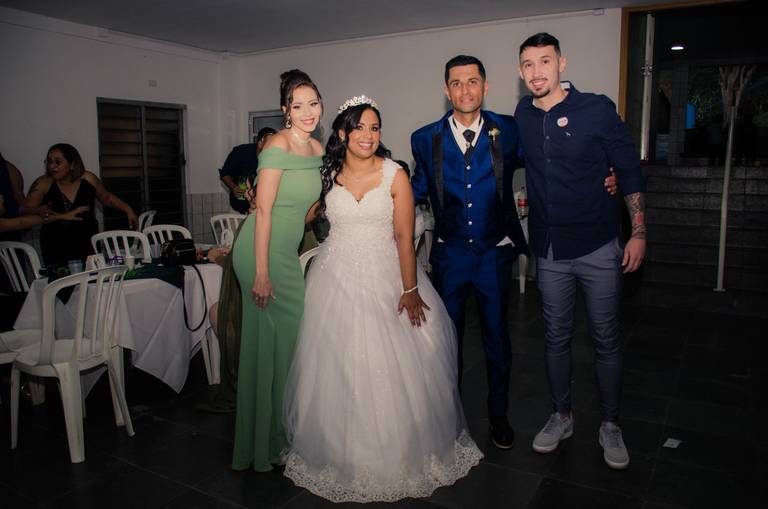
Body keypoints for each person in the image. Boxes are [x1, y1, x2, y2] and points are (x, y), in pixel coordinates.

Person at [283, 97, 482, 503]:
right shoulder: (329, 174)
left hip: (385, 275)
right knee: (336, 365)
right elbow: (304, 214)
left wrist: (409, 289)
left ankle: (396, 450)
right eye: (359, 127)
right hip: (335, 278)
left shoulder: (395, 175)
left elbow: (404, 237)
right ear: (343, 133)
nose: (368, 135)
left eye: (374, 128)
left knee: (391, 364)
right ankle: (338, 450)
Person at [515, 33, 646, 470]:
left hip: (598, 246)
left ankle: (610, 424)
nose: (537, 71)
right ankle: (561, 416)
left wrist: (638, 231)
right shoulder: (522, 116)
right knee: (555, 337)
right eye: (528, 64)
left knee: (605, 338)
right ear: (520, 71)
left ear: (561, 64)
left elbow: (628, 169)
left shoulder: (596, 108)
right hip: (550, 250)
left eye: (544, 61)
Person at [410, 55, 529, 450]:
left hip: (494, 254)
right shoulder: (425, 138)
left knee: (497, 340)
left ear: (485, 86)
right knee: (447, 342)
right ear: (446, 90)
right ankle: (449, 415)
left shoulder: (507, 130)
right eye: (457, 83)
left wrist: (600, 174)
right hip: (450, 256)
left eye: (472, 81)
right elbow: (415, 189)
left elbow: (544, 162)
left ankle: (499, 415)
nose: (465, 90)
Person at [231, 69, 323, 472]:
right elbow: (264, 212)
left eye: (313, 103)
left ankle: (282, 431)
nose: (307, 112)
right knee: (264, 346)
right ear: (286, 109)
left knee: (289, 343)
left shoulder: (317, 148)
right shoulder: (276, 145)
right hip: (259, 253)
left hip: (287, 250)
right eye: (298, 105)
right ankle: (262, 443)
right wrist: (262, 273)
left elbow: (306, 211)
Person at [25, 143, 138, 265]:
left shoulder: (88, 178)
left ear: (72, 164)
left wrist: (128, 209)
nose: (52, 166)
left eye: (58, 162)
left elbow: (106, 197)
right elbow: (24, 211)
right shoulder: (43, 183)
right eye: (49, 162)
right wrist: (41, 211)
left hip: (87, 242)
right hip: (56, 245)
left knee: (94, 275)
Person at [219, 127, 277, 214]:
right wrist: (234, 187)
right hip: (238, 209)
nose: (272, 147)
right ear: (260, 143)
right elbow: (224, 173)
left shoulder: (275, 158)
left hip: (263, 211)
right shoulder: (241, 152)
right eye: (269, 143)